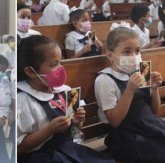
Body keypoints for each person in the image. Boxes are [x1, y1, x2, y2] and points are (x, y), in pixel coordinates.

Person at [94, 27, 165, 162]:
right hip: (128, 135)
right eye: (127, 51)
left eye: (137, 51)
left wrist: (154, 89)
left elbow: (154, 110)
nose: (134, 56)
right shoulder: (105, 80)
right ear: (110, 55)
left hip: (151, 126)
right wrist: (129, 90)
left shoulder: (140, 73)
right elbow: (114, 121)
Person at [17, 35, 114, 163]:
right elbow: (19, 148)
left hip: (69, 149)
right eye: (54, 64)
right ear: (30, 71)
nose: (60, 68)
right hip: (40, 156)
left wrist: (77, 120)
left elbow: (77, 129)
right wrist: (49, 129)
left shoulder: (66, 90)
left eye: (60, 62)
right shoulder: (22, 100)